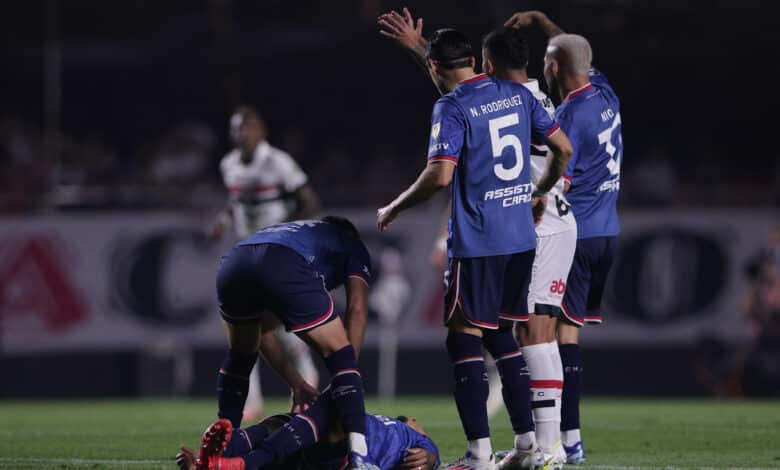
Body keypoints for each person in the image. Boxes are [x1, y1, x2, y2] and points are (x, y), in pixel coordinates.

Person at [378, 11, 577, 465]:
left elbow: (440, 175)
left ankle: (479, 454)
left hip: (479, 241)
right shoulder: (517, 93)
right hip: (521, 239)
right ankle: (528, 445)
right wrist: (540, 191)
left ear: (436, 67)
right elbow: (563, 148)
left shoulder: (449, 107)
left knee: (463, 340)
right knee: (503, 338)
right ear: (477, 60)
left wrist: (394, 206)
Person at [505, 10, 625, 464]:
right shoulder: (606, 94)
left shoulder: (570, 114)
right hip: (608, 231)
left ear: (554, 67)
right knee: (566, 335)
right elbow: (577, 49)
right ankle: (566, 440)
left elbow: (562, 177)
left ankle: (564, 441)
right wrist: (543, 22)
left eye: (547, 64)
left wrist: (532, 199)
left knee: (550, 337)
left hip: (578, 232)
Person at [211, 216, 376, 470]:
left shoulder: (298, 232)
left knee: (241, 354)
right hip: (283, 262)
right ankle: (359, 454)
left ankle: (224, 441)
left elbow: (264, 333)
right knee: (340, 355)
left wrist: (296, 383)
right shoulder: (350, 242)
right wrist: (345, 379)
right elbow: (357, 308)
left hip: (234, 261)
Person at [213, 105, 321, 420]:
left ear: (261, 131)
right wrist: (222, 220)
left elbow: (309, 201)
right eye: (236, 129)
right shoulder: (228, 164)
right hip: (246, 255)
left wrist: (286, 233)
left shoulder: (278, 162)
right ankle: (253, 400)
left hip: (277, 253)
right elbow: (236, 202)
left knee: (278, 325)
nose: (241, 134)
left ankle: (306, 376)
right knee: (245, 327)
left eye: (247, 128)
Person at [176, 387, 440, 470]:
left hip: (344, 451)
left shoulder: (417, 440)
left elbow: (434, 458)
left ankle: (229, 461)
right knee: (285, 424)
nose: (415, 420)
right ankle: (210, 459)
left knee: (342, 393)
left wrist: (429, 458)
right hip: (318, 437)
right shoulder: (392, 424)